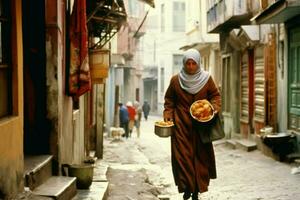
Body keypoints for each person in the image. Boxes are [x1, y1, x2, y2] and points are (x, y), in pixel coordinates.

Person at [163, 49, 221, 200]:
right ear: (183, 64)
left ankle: (197, 189)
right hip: (181, 125)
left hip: (201, 126)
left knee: (200, 157)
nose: (190, 66)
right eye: (187, 63)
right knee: (182, 158)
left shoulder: (207, 79)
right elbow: (169, 101)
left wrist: (212, 108)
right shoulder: (176, 80)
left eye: (193, 63)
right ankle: (186, 187)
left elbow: (215, 96)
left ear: (198, 63)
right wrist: (168, 115)